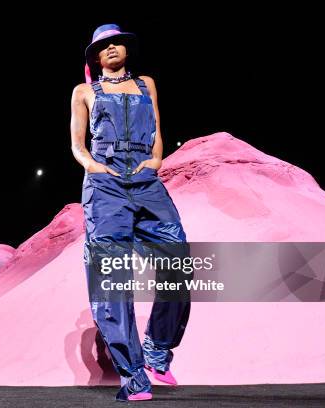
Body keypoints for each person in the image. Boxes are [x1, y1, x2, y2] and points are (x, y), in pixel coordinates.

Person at [70, 24, 191, 401]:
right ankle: (133, 374)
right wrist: (91, 165)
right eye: (102, 46)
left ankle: (157, 348)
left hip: (144, 178)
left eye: (116, 43)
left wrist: (156, 160)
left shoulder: (146, 84)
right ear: (93, 56)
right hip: (105, 185)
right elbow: (76, 142)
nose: (110, 48)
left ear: (126, 49)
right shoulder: (84, 91)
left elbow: (157, 128)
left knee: (178, 257)